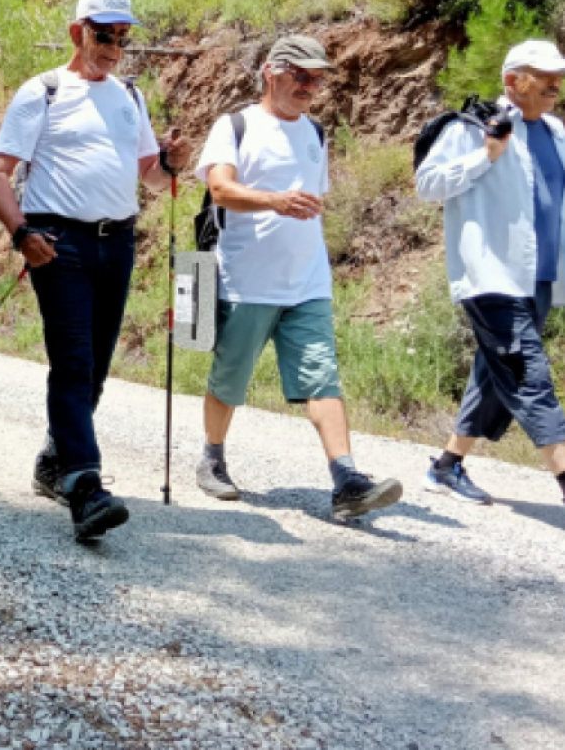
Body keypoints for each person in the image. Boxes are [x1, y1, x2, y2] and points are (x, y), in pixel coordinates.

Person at [0, 0, 191, 542]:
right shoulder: (43, 91)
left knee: (96, 366)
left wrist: (169, 163)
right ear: (78, 33)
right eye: (105, 36)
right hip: (60, 243)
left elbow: (149, 176)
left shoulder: (130, 97)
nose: (114, 48)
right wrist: (20, 232)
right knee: (73, 361)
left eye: (123, 38)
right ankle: (85, 486)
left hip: (118, 243)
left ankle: (55, 460)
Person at [193, 35, 403, 520]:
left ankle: (347, 478)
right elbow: (220, 189)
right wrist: (275, 201)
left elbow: (313, 198)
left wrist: (296, 210)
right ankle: (212, 458)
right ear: (271, 71)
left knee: (322, 379)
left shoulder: (316, 133)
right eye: (301, 75)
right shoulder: (237, 126)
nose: (311, 85)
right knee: (229, 378)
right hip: (247, 281)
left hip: (308, 283)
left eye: (318, 77)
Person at [416, 40, 565, 506]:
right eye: (545, 76)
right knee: (528, 376)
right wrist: (487, 154)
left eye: (558, 76)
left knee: (494, 372)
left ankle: (446, 466)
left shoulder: (557, 131)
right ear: (512, 81)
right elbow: (427, 183)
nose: (556, 85)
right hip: (490, 274)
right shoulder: (474, 126)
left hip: (539, 276)